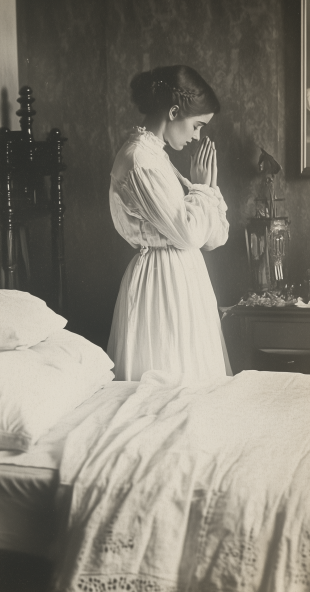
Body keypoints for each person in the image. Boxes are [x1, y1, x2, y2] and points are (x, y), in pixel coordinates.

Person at [107, 65, 232, 383]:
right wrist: (201, 188)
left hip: (185, 281)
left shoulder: (157, 158)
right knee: (166, 386)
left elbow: (214, 238)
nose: (197, 136)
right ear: (174, 111)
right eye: (197, 126)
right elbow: (191, 234)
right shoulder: (139, 160)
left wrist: (206, 190)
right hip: (161, 284)